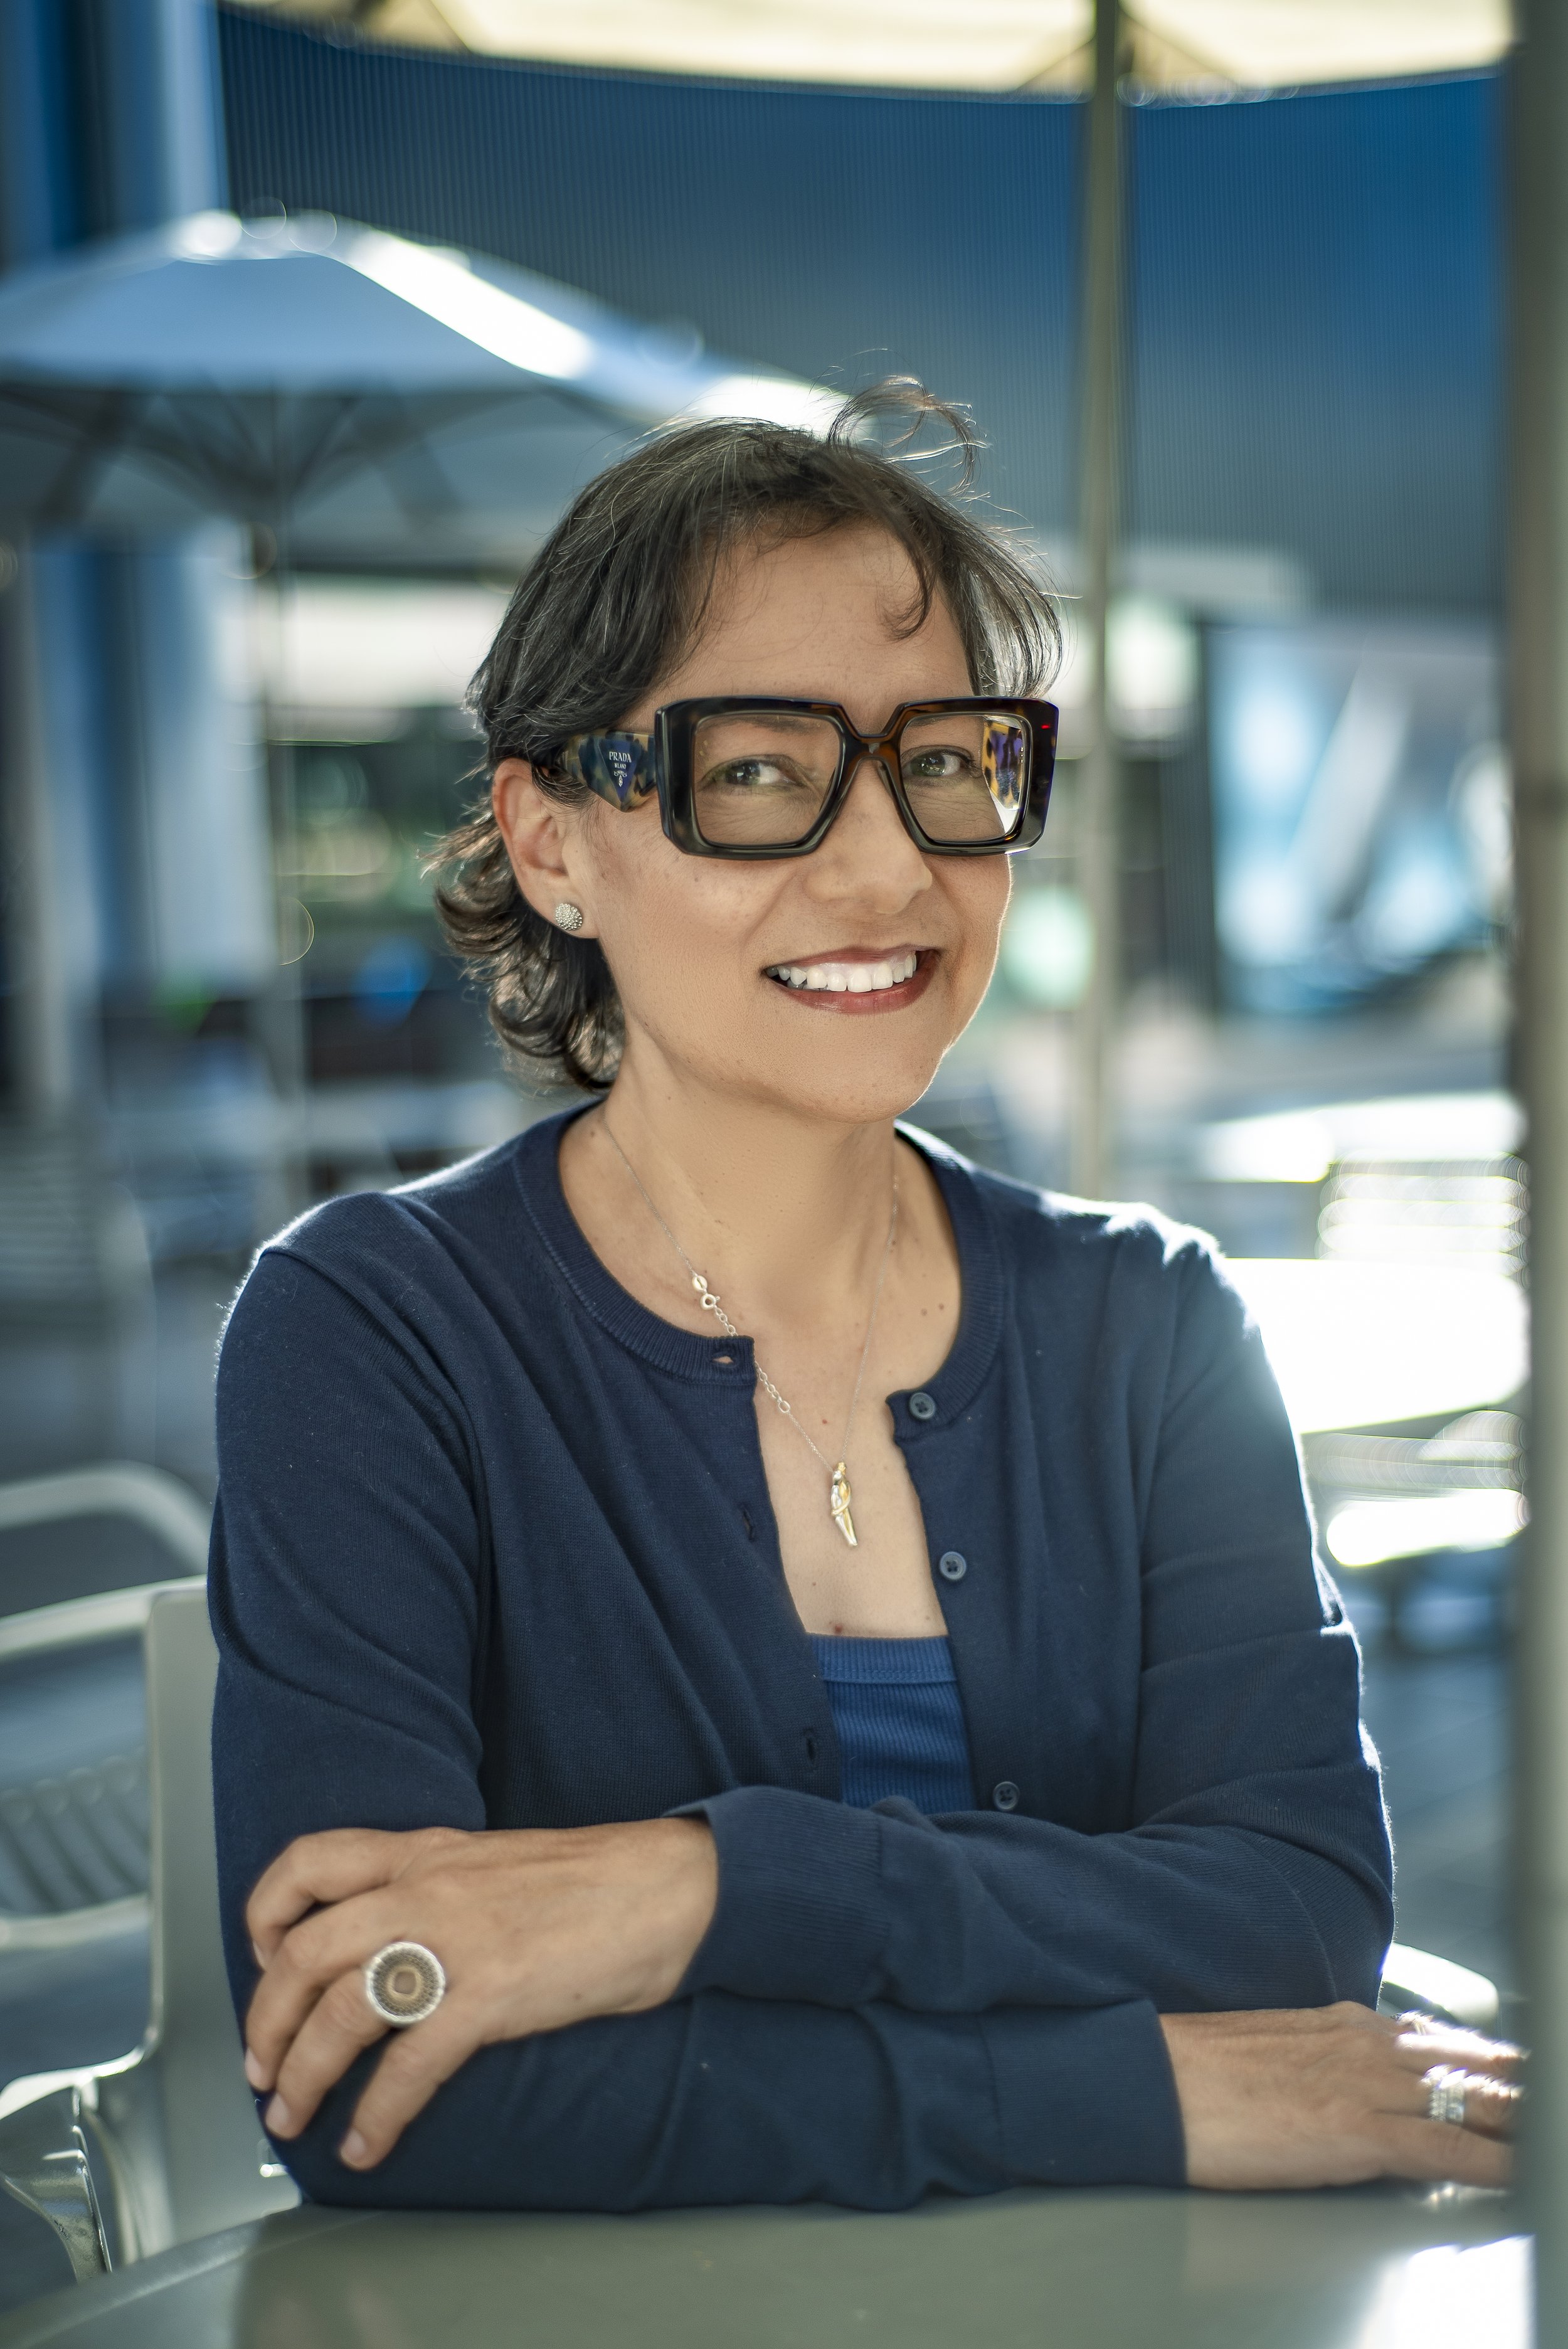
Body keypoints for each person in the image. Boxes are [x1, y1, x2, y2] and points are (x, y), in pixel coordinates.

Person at [213, 385, 1519, 2212]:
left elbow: (1293, 1918)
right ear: (553, 842)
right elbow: (375, 2075)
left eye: (949, 763)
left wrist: (696, 1891)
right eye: (756, 769)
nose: (896, 866)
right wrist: (1126, 2086)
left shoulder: (1151, 1326)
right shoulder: (377, 1335)